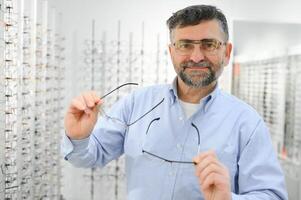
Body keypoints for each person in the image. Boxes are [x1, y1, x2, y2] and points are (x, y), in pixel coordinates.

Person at [61, 5, 288, 200]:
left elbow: (271, 194)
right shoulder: (135, 104)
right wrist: (79, 137)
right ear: (171, 52)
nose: (196, 56)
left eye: (209, 44)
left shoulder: (247, 122)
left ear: (226, 53)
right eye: (185, 45)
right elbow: (89, 156)